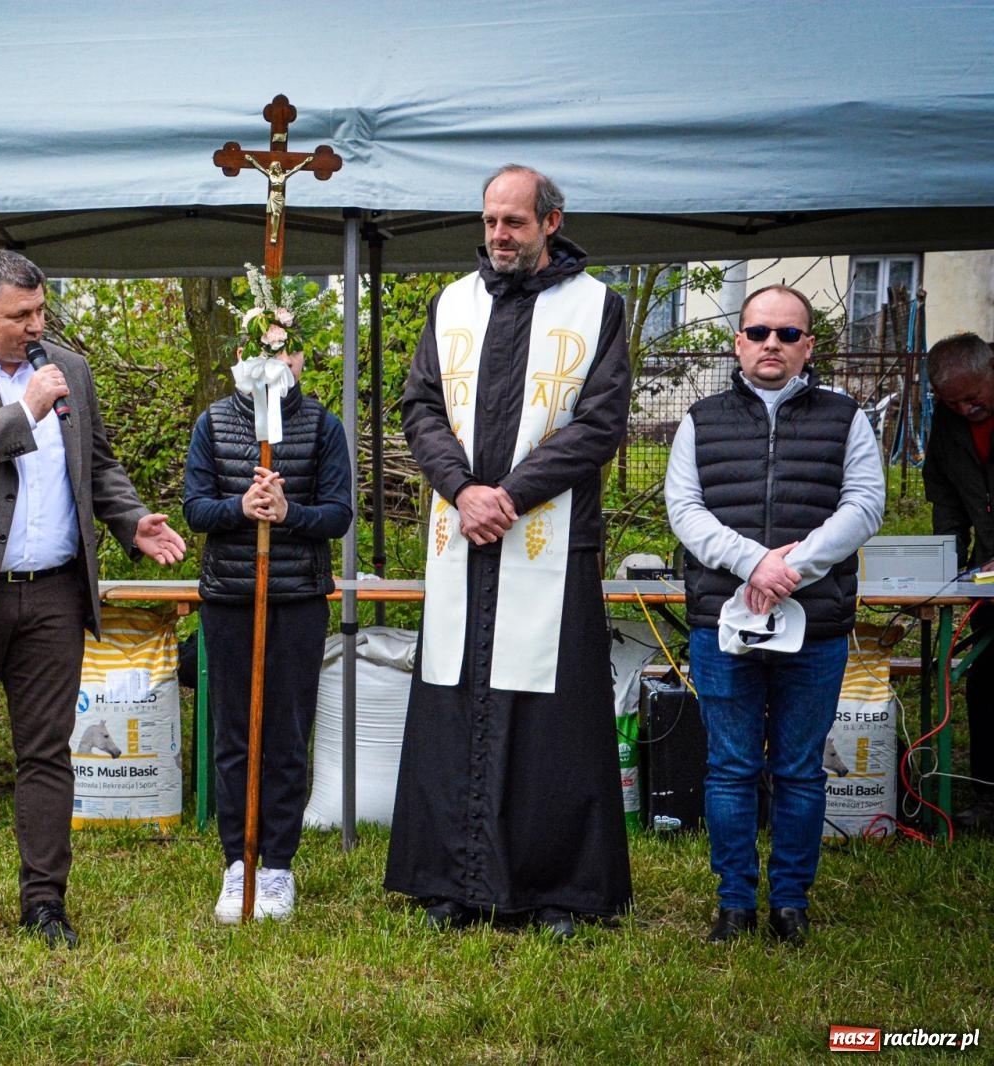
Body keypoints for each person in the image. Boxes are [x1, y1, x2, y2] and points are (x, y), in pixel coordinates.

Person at [0, 249, 186, 949]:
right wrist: (22, 411)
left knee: (48, 752)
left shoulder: (70, 371)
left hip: (54, 590)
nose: (36, 326)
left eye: (41, 312)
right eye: (19, 315)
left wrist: (131, 520)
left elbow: (99, 462)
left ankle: (45, 901)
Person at [385, 164, 633, 938]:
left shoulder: (598, 307)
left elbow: (599, 423)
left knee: (552, 723)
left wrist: (510, 495)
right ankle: (447, 883)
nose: (497, 235)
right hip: (464, 537)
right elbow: (420, 404)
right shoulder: (451, 303)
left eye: (514, 222)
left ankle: (558, 890)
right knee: (453, 704)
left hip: (546, 543)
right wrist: (461, 490)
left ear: (550, 222)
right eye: (490, 221)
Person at [666, 285, 884, 945]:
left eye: (788, 335)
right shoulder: (700, 419)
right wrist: (751, 564)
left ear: (808, 346)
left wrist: (795, 568)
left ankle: (790, 905)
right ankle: (734, 903)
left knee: (798, 769)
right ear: (738, 341)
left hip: (813, 625)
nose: (772, 344)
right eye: (759, 332)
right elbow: (685, 509)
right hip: (723, 624)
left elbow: (865, 504)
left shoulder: (847, 418)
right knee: (729, 769)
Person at [183, 338, 353, 923]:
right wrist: (240, 507)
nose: (278, 362)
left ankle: (277, 864)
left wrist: (289, 514)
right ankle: (239, 862)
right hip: (231, 599)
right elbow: (194, 508)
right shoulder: (213, 423)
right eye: (266, 349)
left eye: (289, 352)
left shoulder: (323, 427)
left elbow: (338, 513)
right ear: (239, 354)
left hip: (296, 600)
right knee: (233, 735)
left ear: (303, 360)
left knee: (285, 736)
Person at [922, 332, 994, 832]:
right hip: (987, 570)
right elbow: (945, 491)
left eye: (975, 397)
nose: (967, 408)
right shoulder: (948, 422)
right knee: (987, 680)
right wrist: (948, 563)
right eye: (954, 402)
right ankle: (987, 797)